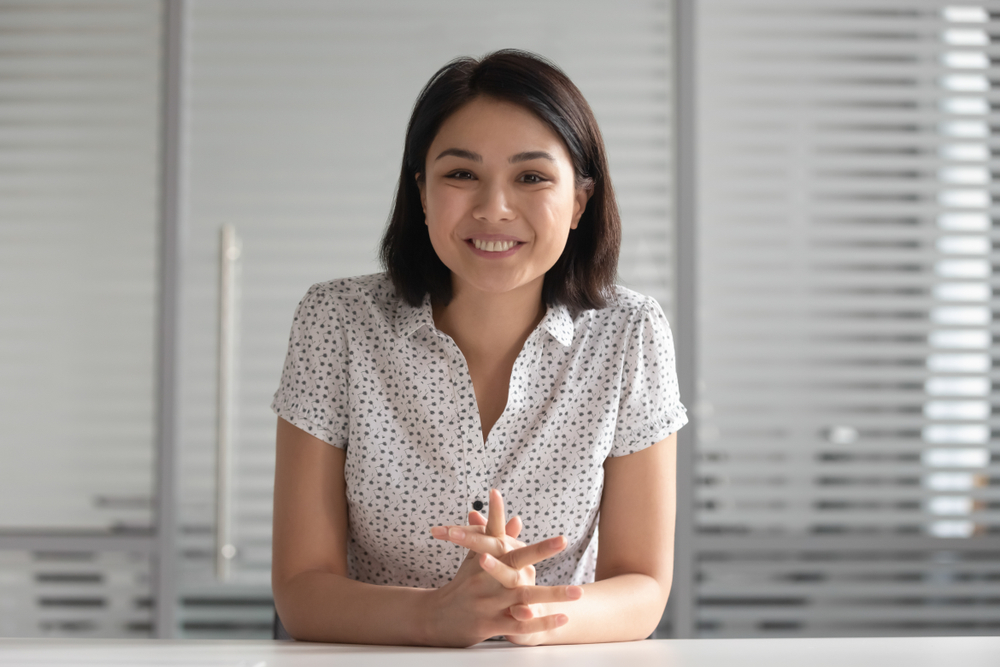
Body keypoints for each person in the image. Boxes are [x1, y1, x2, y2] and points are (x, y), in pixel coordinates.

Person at [270, 49, 687, 647]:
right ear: (421, 191)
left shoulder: (631, 332)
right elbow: (301, 587)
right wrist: (434, 618)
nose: (494, 208)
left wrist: (524, 615)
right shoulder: (336, 321)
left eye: (532, 177)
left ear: (579, 202)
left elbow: (641, 585)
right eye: (461, 174)